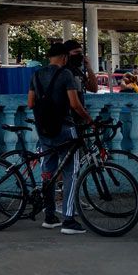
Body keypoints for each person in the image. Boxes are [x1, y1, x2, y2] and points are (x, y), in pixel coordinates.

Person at [27, 42, 94, 235]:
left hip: (44, 131)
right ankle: (69, 220)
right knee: (71, 174)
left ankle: (49, 216)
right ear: (64, 57)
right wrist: (88, 119)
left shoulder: (37, 75)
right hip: (65, 130)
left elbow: (30, 103)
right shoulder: (66, 74)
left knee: (47, 174)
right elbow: (74, 104)